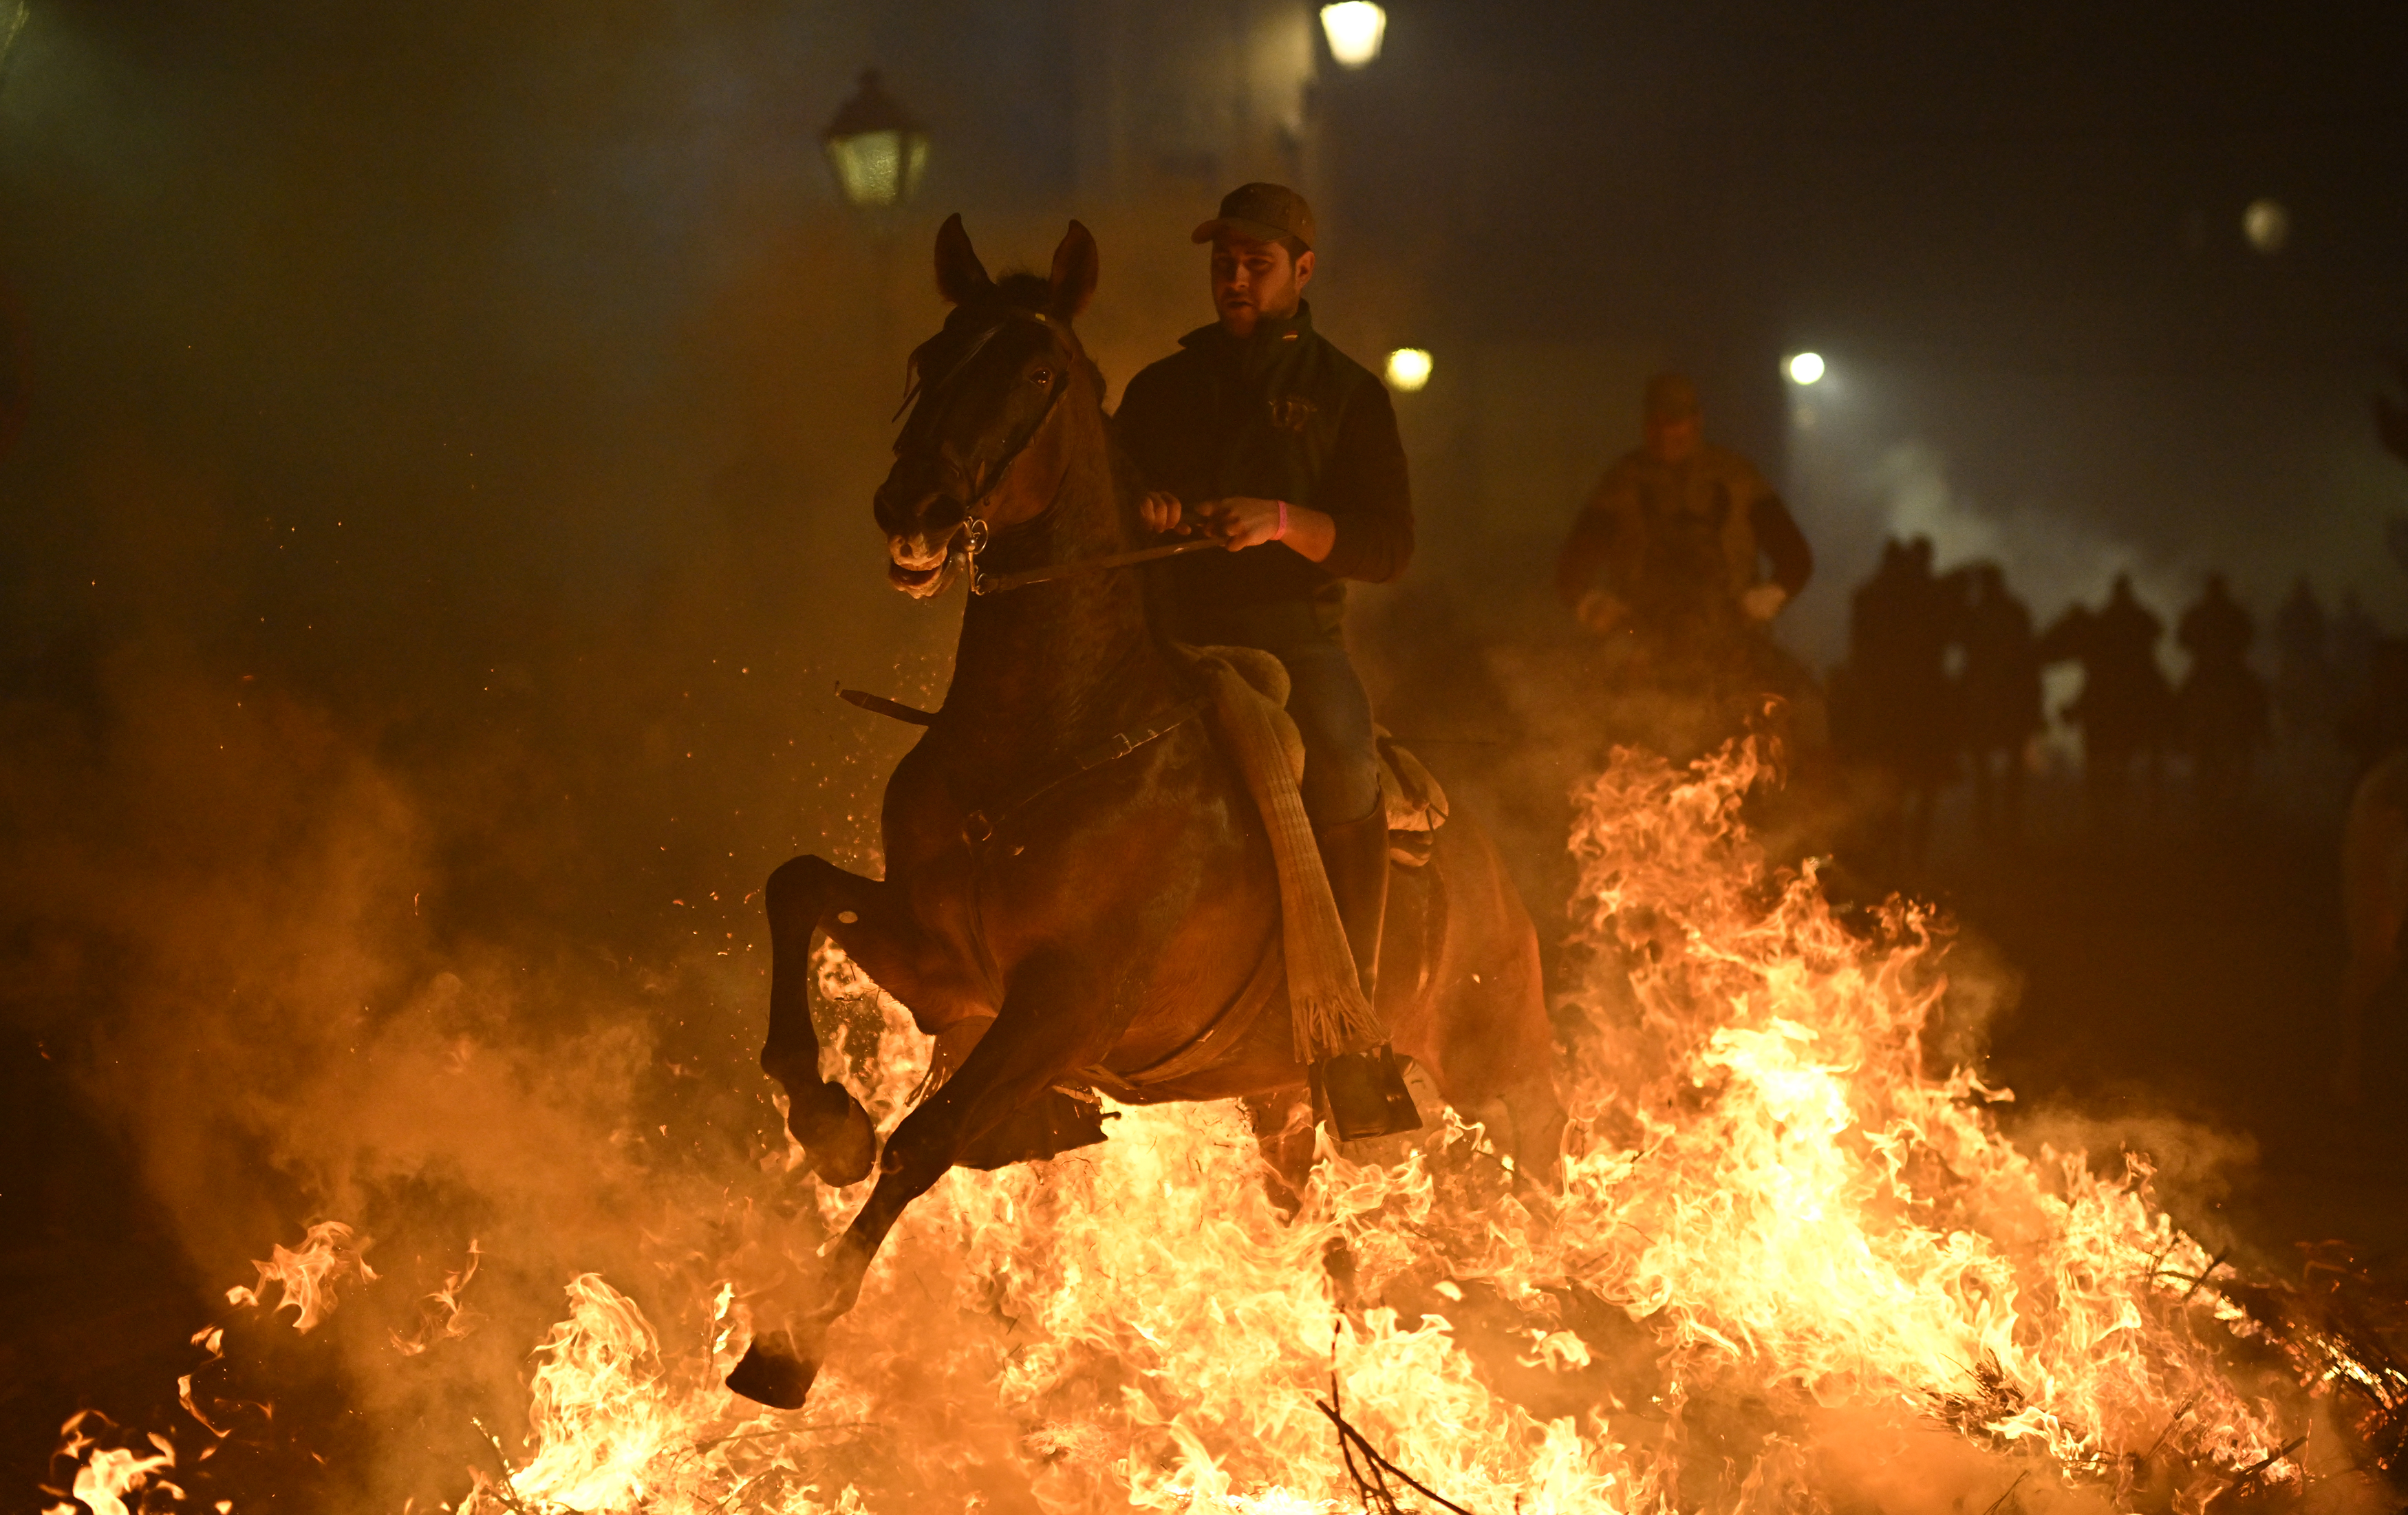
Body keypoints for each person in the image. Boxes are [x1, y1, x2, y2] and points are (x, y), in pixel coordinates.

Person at [1112, 183, 1416, 1130]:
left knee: (1343, 754)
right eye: (1222, 263)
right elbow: (1113, 495)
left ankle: (1350, 1026)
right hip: (1169, 632)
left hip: (1291, 632)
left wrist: (1280, 522)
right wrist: (1148, 507)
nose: (1234, 278)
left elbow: (1387, 544)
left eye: (1256, 263)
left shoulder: (1347, 394)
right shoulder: (1163, 388)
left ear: (1303, 271)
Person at [1553, 372, 1814, 759]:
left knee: (1801, 713)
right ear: (1645, 425)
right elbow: (1572, 569)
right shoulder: (1623, 483)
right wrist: (1597, 607)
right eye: (1656, 424)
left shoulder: (1738, 479)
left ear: (1697, 421)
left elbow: (1795, 558)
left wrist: (1765, 598)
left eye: (1674, 423)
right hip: (1642, 646)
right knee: (1590, 732)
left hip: (1730, 641)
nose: (1665, 434)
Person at [2039, 574, 2174, 830]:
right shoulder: (2130, 617)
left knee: (2097, 706)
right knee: (2163, 703)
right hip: (2135, 682)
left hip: (2118, 683)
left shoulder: (2107, 619)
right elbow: (2158, 632)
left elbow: (2158, 632)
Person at [1955, 561, 2042, 846]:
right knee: (2005, 770)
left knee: (1990, 771)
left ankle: (1991, 829)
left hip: (1989, 700)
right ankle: (2001, 829)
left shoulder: (1977, 615)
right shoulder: (2008, 613)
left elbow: (2025, 661)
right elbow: (2029, 661)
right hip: (2005, 701)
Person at [2175, 573, 2268, 813]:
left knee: (2182, 697)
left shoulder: (2199, 612)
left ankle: (2178, 737)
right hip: (2228, 669)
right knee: (2256, 693)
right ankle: (2261, 730)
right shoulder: (2233, 612)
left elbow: (2182, 639)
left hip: (2207, 669)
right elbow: (2248, 636)